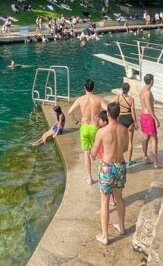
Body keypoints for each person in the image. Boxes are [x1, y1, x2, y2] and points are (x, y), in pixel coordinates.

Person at [91, 102, 129, 246]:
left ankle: (105, 236)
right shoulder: (124, 130)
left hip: (107, 168)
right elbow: (125, 148)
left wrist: (93, 154)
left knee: (104, 202)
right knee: (119, 198)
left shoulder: (102, 132)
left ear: (108, 114)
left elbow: (94, 154)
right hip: (120, 166)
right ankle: (122, 228)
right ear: (118, 114)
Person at [67, 79, 108, 185]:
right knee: (100, 152)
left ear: (84, 88)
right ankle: (103, 175)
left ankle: (89, 178)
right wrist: (100, 117)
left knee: (86, 153)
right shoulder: (98, 99)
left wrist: (76, 121)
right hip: (95, 128)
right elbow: (108, 110)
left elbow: (70, 112)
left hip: (84, 128)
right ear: (93, 88)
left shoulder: (80, 99)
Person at [139, 74, 163, 168]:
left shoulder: (142, 90)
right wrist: (155, 119)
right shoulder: (148, 92)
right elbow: (149, 107)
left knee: (146, 137)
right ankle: (155, 162)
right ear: (151, 81)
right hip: (148, 116)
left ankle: (145, 157)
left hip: (143, 116)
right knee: (154, 139)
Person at [114, 83, 138, 166]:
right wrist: (136, 123)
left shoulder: (118, 97)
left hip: (121, 119)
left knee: (120, 142)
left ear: (122, 89)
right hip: (129, 119)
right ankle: (129, 161)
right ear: (128, 89)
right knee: (130, 141)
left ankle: (119, 160)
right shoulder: (131, 99)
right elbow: (133, 113)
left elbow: (112, 106)